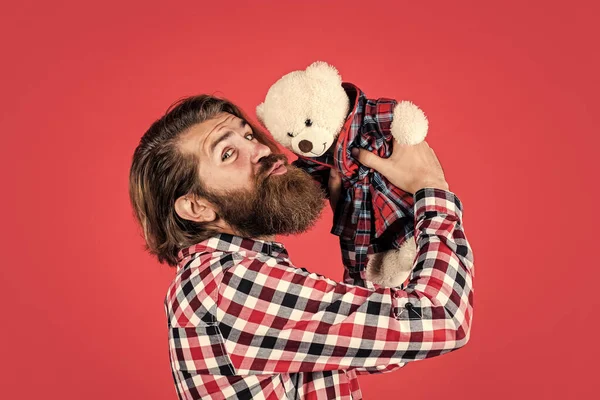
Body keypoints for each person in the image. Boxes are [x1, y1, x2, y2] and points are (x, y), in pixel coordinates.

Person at [128, 94, 474, 400]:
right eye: (228, 152)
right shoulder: (231, 283)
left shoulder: (225, 276)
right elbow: (441, 319)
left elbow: (374, 348)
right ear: (197, 207)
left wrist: (357, 230)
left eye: (249, 135)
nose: (262, 150)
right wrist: (433, 191)